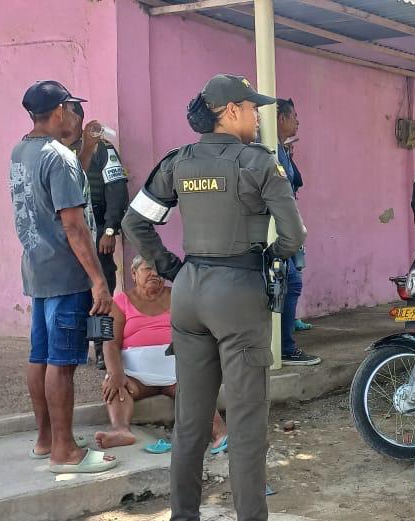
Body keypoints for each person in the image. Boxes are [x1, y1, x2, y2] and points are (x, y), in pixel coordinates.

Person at [123, 74, 306, 521]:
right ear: (230, 112)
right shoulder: (258, 162)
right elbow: (294, 234)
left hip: (189, 293)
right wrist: (270, 260)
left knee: (189, 423)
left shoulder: (178, 161)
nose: (257, 116)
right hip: (239, 294)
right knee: (245, 427)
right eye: (251, 108)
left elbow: (134, 223)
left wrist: (172, 269)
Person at [9, 80, 117, 474]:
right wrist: (98, 281)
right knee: (63, 363)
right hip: (68, 272)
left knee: (39, 356)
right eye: (72, 108)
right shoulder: (58, 157)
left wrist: (85, 150)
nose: (75, 115)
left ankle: (45, 440)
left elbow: (64, 189)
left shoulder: (22, 151)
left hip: (38, 268)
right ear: (58, 112)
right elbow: (74, 225)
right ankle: (65, 451)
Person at [93, 255, 227, 453]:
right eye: (147, 269)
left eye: (158, 270)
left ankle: (219, 433)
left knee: (195, 389)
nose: (154, 274)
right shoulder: (120, 302)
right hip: (135, 376)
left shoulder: (179, 296)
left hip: (175, 372)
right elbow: (111, 344)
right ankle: (121, 431)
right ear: (133, 273)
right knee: (114, 385)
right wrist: (115, 373)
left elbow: (198, 333)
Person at [62, 101, 130, 370]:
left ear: (77, 118)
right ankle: (74, 348)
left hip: (99, 232)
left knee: (102, 294)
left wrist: (111, 229)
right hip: (67, 238)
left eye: (64, 113)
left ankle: (103, 349)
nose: (60, 118)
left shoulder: (103, 148)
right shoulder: (56, 151)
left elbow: (117, 188)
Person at [275, 98, 320, 365]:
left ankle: (284, 345)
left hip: (288, 228)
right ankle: (284, 347)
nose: (297, 121)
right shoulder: (269, 149)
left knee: (290, 283)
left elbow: (295, 182)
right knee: (288, 284)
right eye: (293, 116)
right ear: (280, 118)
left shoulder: (281, 149)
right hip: (277, 231)